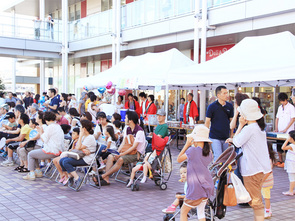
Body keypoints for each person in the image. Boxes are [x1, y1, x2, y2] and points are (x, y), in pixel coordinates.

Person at [226, 99, 272, 221]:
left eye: (241, 113)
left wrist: (240, 125)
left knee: (255, 201)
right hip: (262, 168)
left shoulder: (249, 128)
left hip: (253, 169)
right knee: (256, 199)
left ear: (246, 115)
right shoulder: (258, 127)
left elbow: (237, 141)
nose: (240, 115)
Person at [177, 125, 214, 221]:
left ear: (197, 139)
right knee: (201, 213)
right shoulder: (209, 153)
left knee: (184, 211)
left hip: (195, 189)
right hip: (205, 187)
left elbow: (178, 159)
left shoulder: (192, 150)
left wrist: (187, 144)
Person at [100, 111, 146, 185]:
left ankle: (104, 176)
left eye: (126, 118)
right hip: (127, 151)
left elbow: (134, 147)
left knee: (120, 159)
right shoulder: (127, 129)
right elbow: (123, 143)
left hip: (136, 154)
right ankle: (106, 179)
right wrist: (117, 153)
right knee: (110, 156)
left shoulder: (139, 131)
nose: (124, 119)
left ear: (130, 120)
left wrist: (121, 155)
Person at [23, 111, 65, 181]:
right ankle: (37, 171)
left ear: (45, 119)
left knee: (30, 154)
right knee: (34, 153)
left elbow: (43, 140)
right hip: (59, 150)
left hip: (51, 150)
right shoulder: (58, 126)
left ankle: (32, 174)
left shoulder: (50, 127)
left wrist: (40, 132)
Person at [59, 120, 96, 188]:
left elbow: (78, 147)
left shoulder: (90, 137)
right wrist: (82, 148)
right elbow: (77, 148)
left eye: (80, 127)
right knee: (61, 160)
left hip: (86, 159)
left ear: (84, 129)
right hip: (81, 156)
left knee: (66, 161)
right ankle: (70, 176)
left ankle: (77, 178)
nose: (79, 128)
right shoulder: (84, 137)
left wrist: (81, 136)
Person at [205, 86, 234, 161]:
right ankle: (218, 172)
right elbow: (207, 122)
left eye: (226, 93)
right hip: (214, 137)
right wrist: (206, 137)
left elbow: (232, 123)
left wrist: (231, 136)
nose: (226, 95)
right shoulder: (211, 107)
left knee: (225, 158)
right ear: (218, 95)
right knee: (218, 157)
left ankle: (222, 172)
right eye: (224, 93)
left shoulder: (230, 106)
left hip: (226, 137)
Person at [274, 92, 295, 167]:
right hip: (280, 131)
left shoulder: (291, 107)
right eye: (281, 101)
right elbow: (277, 118)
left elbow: (293, 119)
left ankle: (286, 162)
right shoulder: (280, 107)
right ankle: (280, 161)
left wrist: (286, 128)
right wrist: (276, 128)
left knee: (287, 147)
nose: (282, 102)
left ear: (286, 99)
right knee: (279, 146)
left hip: (288, 131)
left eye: (283, 100)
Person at [262, 142, 276, 219]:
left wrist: (261, 180)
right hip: (266, 181)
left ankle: (267, 211)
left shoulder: (267, 159)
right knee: (266, 196)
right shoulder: (267, 157)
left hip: (266, 181)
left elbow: (268, 172)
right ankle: (268, 210)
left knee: (266, 197)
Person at [281, 130, 295, 196]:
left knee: (292, 178)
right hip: (293, 163)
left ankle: (291, 191)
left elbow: (283, 147)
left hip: (291, 164)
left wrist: (286, 140)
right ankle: (292, 190)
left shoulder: (292, 146)